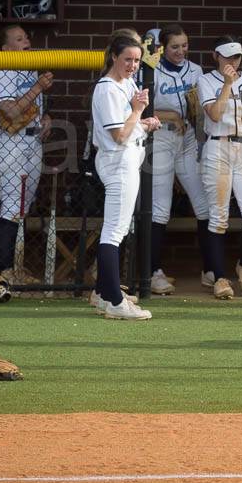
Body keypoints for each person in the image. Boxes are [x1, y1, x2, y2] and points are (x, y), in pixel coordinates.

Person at [88, 30, 159, 320]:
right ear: (114, 57)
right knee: (114, 231)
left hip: (128, 157)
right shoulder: (107, 88)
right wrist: (139, 111)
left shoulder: (125, 83)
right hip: (119, 160)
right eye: (127, 59)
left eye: (137, 60)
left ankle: (104, 294)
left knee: (116, 229)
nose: (132, 65)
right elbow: (119, 134)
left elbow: (131, 126)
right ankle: (115, 301)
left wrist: (144, 121)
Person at [198, 36, 242, 299]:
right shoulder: (207, 80)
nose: (233, 61)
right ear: (216, 56)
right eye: (227, 56)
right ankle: (219, 278)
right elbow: (215, 115)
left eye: (237, 56)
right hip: (218, 147)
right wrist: (228, 85)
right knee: (218, 218)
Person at [143, 24, 210, 295]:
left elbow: (202, 110)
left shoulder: (195, 70)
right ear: (161, 47)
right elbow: (138, 106)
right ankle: (151, 272)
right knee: (160, 208)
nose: (180, 51)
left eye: (184, 45)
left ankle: (211, 270)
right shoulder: (149, 69)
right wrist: (170, 115)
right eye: (174, 46)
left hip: (188, 139)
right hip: (160, 138)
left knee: (204, 204)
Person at [0, 24, 54, 286]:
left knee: (23, 207)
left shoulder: (31, 66)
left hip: (32, 140)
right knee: (11, 205)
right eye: (19, 38)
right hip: (10, 142)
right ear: (6, 48)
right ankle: (4, 269)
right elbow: (12, 113)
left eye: (27, 36)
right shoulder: (2, 69)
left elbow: (33, 109)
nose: (26, 40)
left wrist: (46, 118)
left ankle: (17, 266)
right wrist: (38, 87)